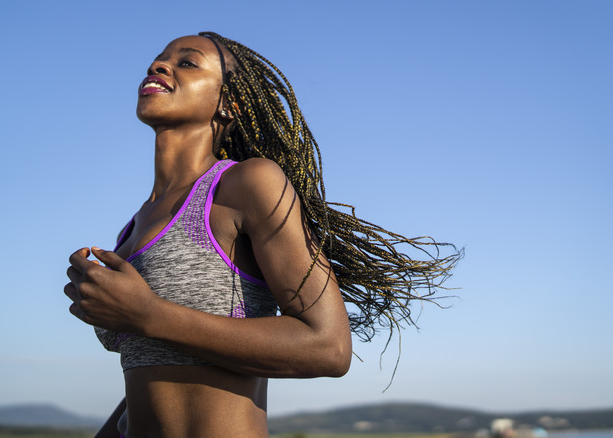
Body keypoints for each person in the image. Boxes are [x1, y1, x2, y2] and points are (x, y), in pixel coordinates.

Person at [64, 32, 460, 437]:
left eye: (187, 62)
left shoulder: (246, 184)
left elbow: (329, 347)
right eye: (158, 60)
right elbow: (153, 374)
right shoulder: (133, 226)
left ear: (228, 105)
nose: (158, 66)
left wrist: (148, 315)